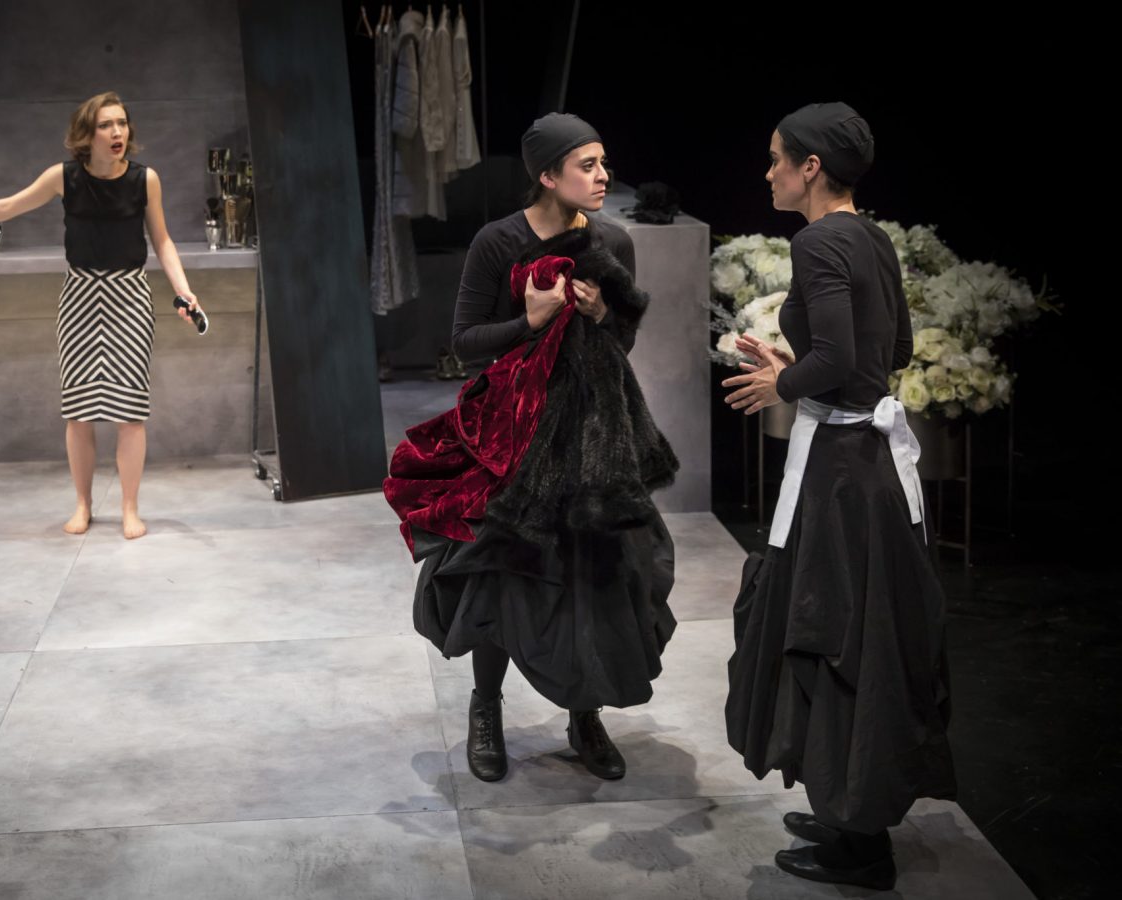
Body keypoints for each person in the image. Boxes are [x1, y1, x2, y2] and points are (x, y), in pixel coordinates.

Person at [385, 112, 679, 784]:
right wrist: (531, 319)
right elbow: (465, 342)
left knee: (592, 572)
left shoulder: (611, 241)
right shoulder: (499, 242)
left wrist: (600, 315)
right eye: (587, 165)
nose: (602, 177)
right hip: (512, 432)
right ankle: (485, 707)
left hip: (591, 433)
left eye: (603, 163)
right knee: (500, 570)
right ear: (547, 175)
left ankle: (585, 713)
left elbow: (622, 343)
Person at [721, 101, 957, 891]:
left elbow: (842, 359)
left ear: (811, 167)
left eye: (777, 158)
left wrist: (782, 382)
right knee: (857, 635)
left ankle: (862, 844)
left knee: (838, 638)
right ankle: (848, 806)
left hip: (844, 479)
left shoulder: (819, 240)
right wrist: (799, 365)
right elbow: (893, 351)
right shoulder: (872, 237)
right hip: (869, 469)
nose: (769, 173)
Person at [0, 91, 203, 540]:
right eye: (105, 125)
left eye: (121, 123)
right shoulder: (64, 177)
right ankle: (83, 504)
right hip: (79, 296)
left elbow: (163, 240)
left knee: (131, 410)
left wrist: (183, 290)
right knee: (78, 411)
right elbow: (7, 206)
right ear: (87, 134)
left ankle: (130, 508)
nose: (116, 132)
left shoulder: (144, 179)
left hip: (130, 296)